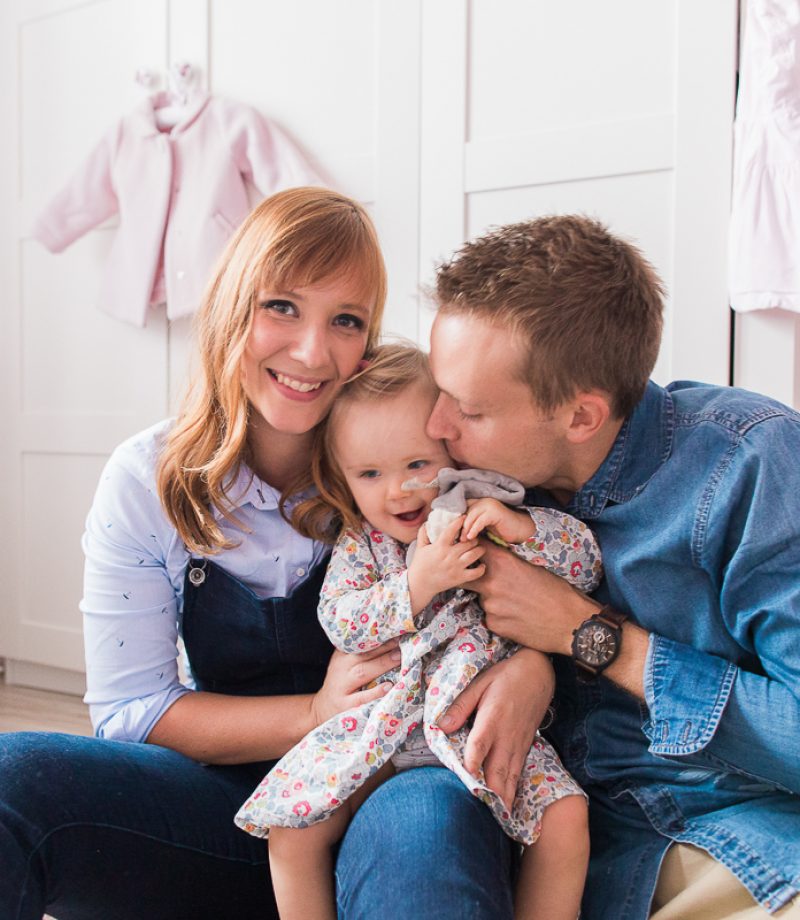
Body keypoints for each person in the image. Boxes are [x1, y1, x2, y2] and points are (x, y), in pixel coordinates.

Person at [0, 188, 542, 920]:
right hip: (222, 807)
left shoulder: (405, 456)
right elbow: (132, 711)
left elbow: (526, 575)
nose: (312, 351)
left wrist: (532, 669)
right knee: (14, 779)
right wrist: (315, 711)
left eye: (345, 321)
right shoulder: (148, 479)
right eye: (281, 306)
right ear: (230, 306)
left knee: (427, 830)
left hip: (395, 781)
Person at [424, 214, 800, 920]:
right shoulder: (469, 481)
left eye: (468, 409)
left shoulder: (751, 465)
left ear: (581, 416)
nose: (437, 426)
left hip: (747, 838)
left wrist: (589, 637)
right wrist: (529, 665)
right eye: (436, 389)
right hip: (553, 852)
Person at [235, 344, 600, 920]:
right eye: (370, 474)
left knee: (565, 818)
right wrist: (416, 585)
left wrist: (523, 528)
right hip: (381, 727)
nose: (398, 491)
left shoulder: (486, 519)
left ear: (454, 455)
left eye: (417, 466)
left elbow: (584, 563)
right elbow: (343, 623)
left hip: (479, 731)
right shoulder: (364, 544)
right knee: (292, 830)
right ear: (344, 480)